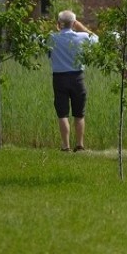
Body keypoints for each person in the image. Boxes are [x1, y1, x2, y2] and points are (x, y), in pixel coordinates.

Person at [48, 10, 97, 152]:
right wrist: (82, 28)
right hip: (77, 77)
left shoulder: (52, 38)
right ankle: (80, 144)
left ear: (59, 23)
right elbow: (96, 39)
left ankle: (65, 145)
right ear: (74, 23)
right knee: (79, 113)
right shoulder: (83, 37)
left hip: (59, 78)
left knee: (62, 113)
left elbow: (43, 46)